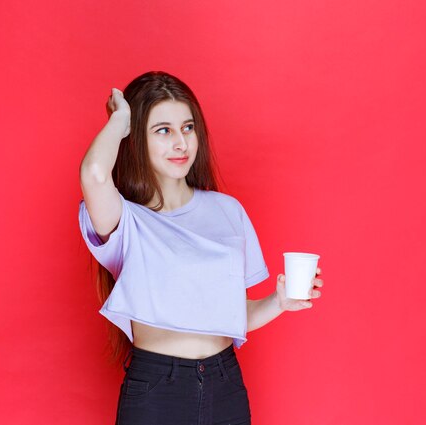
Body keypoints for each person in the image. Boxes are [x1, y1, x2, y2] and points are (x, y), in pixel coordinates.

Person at [77, 71, 324, 425]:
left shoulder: (227, 211)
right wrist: (120, 118)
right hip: (157, 390)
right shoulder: (124, 218)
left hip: (225, 383)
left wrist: (279, 303)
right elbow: (95, 174)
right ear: (136, 137)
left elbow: (230, 315)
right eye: (163, 130)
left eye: (188, 128)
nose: (181, 143)